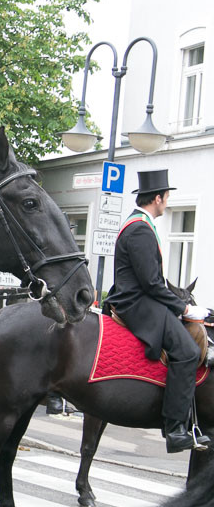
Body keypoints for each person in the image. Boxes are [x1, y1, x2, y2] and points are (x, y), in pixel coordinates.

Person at [106, 169, 210, 454]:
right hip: (137, 304)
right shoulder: (140, 228)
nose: (167, 201)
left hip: (140, 298)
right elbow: (151, 283)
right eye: (166, 197)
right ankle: (176, 428)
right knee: (188, 352)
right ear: (157, 198)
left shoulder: (140, 223)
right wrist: (186, 307)